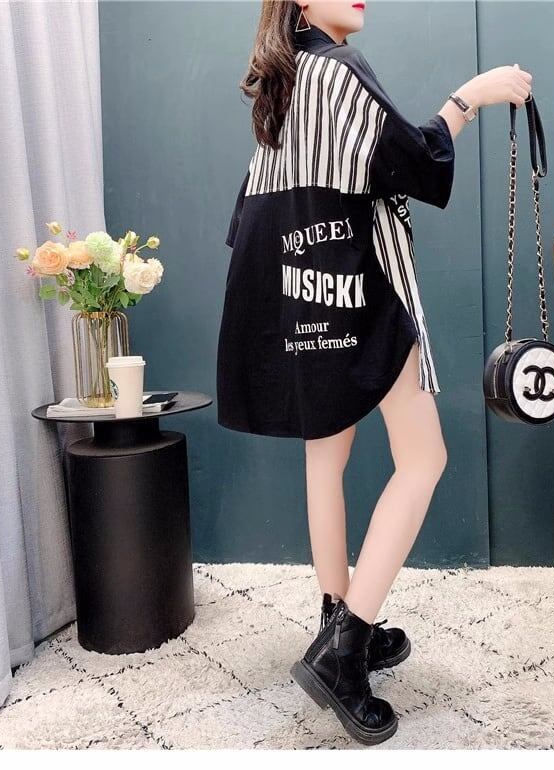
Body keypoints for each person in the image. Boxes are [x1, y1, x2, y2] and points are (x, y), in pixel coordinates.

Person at [216, 0, 532, 745]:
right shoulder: (340, 69)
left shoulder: (282, 83)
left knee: (326, 454)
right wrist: (472, 97)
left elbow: (253, 211)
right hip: (362, 289)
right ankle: (345, 649)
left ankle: (335, 618)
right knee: (424, 459)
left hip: (300, 291)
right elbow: (414, 160)